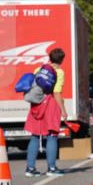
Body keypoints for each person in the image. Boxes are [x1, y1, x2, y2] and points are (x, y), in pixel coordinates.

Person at [24, 48, 68, 176]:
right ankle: (52, 168)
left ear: (50, 57)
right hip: (51, 104)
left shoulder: (39, 69)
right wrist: (63, 110)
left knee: (35, 136)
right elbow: (56, 92)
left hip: (36, 104)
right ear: (62, 60)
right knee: (52, 136)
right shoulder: (59, 72)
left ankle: (30, 168)